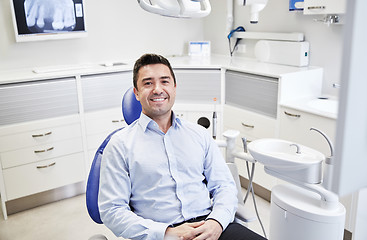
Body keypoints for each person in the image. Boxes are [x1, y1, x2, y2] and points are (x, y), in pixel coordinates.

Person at [98, 53, 266, 240]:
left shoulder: (199, 135)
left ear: (174, 88)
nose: (157, 89)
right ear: (136, 93)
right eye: (147, 83)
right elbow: (112, 210)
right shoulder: (119, 145)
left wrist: (217, 222)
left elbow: (224, 186)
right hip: (160, 233)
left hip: (209, 225)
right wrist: (167, 233)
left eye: (164, 81)